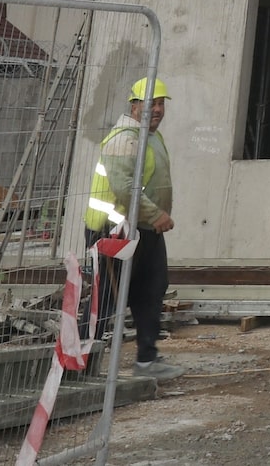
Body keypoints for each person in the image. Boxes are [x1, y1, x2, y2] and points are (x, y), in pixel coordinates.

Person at [84, 78, 178, 378]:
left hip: (143, 229)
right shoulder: (124, 139)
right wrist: (156, 215)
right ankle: (81, 364)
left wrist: (153, 219)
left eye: (162, 103)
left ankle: (146, 361)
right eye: (152, 103)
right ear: (135, 105)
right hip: (113, 231)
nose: (158, 109)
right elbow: (125, 189)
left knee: (151, 290)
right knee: (108, 297)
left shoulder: (151, 136)